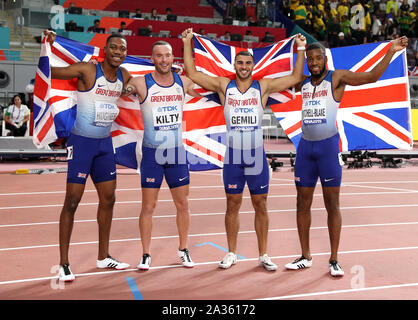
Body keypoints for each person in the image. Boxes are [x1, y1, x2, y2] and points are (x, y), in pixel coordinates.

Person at [182, 28, 307, 271]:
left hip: (256, 156)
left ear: (253, 65)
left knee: (260, 203)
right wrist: (188, 42)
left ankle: (263, 254)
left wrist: (300, 47)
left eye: (248, 63)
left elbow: (294, 78)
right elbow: (193, 72)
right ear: (235, 64)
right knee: (232, 204)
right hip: (233, 156)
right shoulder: (223, 85)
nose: (244, 66)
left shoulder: (263, 86)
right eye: (240, 62)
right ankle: (231, 253)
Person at [284, 36, 408, 277]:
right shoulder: (303, 84)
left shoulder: (337, 77)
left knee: (332, 205)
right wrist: (300, 48)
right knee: (302, 203)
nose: (314, 62)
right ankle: (305, 256)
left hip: (328, 150)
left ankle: (333, 259)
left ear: (325, 60)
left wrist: (391, 51)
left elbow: (370, 77)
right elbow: (291, 76)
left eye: (318, 58)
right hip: (305, 150)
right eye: (310, 59)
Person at [43, 30, 133, 282]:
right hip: (81, 143)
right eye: (114, 47)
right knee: (72, 201)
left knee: (109, 198)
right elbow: (49, 71)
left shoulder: (124, 75)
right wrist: (46, 47)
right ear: (106, 50)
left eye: (122, 49)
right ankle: (64, 263)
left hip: (105, 144)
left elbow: (138, 85)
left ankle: (103, 257)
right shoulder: (87, 70)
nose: (118, 52)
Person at [122, 40, 200, 271]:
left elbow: (205, 81)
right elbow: (117, 86)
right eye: (159, 56)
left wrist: (188, 44)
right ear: (152, 58)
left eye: (167, 55)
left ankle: (183, 249)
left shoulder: (183, 82)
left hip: (175, 152)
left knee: (182, 204)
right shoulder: (140, 83)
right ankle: (145, 254)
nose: (164, 60)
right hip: (152, 154)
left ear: (173, 57)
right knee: (148, 206)